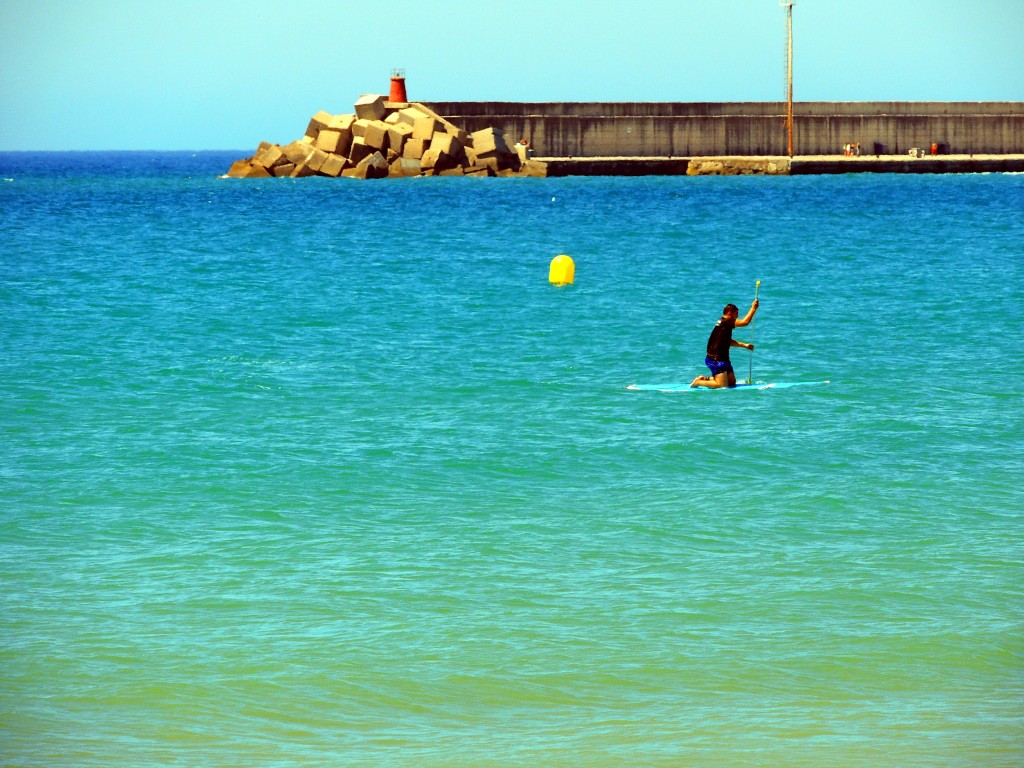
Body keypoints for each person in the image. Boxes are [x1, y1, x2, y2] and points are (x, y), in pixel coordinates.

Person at [690, 299, 759, 388]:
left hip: (723, 358)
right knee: (722, 386)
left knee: (731, 383)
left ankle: (706, 379)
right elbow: (745, 322)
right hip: (715, 359)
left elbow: (727, 341)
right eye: (736, 314)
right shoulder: (727, 321)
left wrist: (744, 345)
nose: (737, 317)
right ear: (729, 313)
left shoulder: (724, 324)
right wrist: (753, 308)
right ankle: (698, 382)